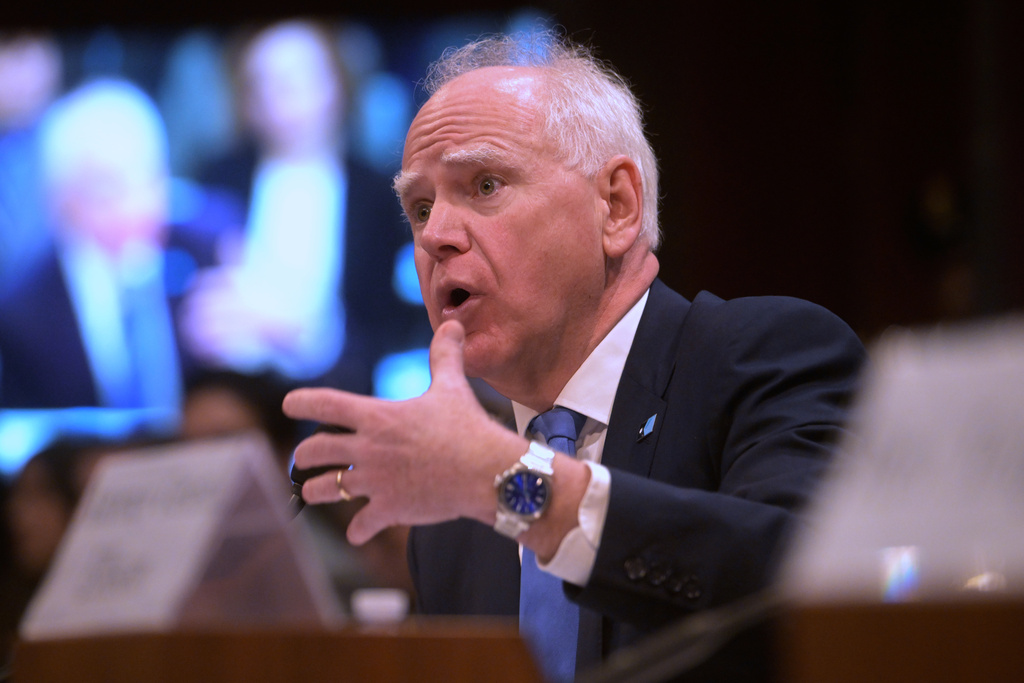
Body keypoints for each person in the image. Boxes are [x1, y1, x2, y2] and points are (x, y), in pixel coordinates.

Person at [283, 31, 866, 682]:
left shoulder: (764, 355)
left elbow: (810, 585)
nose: (436, 237)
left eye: (484, 184)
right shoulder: (451, 524)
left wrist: (512, 485)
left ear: (615, 205)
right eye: (419, 208)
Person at [180, 19, 423, 394]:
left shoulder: (377, 194)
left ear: (337, 84)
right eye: (265, 83)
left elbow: (382, 322)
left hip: (344, 391)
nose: (281, 98)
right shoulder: (218, 179)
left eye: (298, 80)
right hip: (235, 393)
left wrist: (292, 328)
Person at [0, 78, 217, 415]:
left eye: (151, 180)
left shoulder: (207, 259)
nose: (139, 206)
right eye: (109, 190)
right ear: (62, 201)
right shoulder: (22, 315)